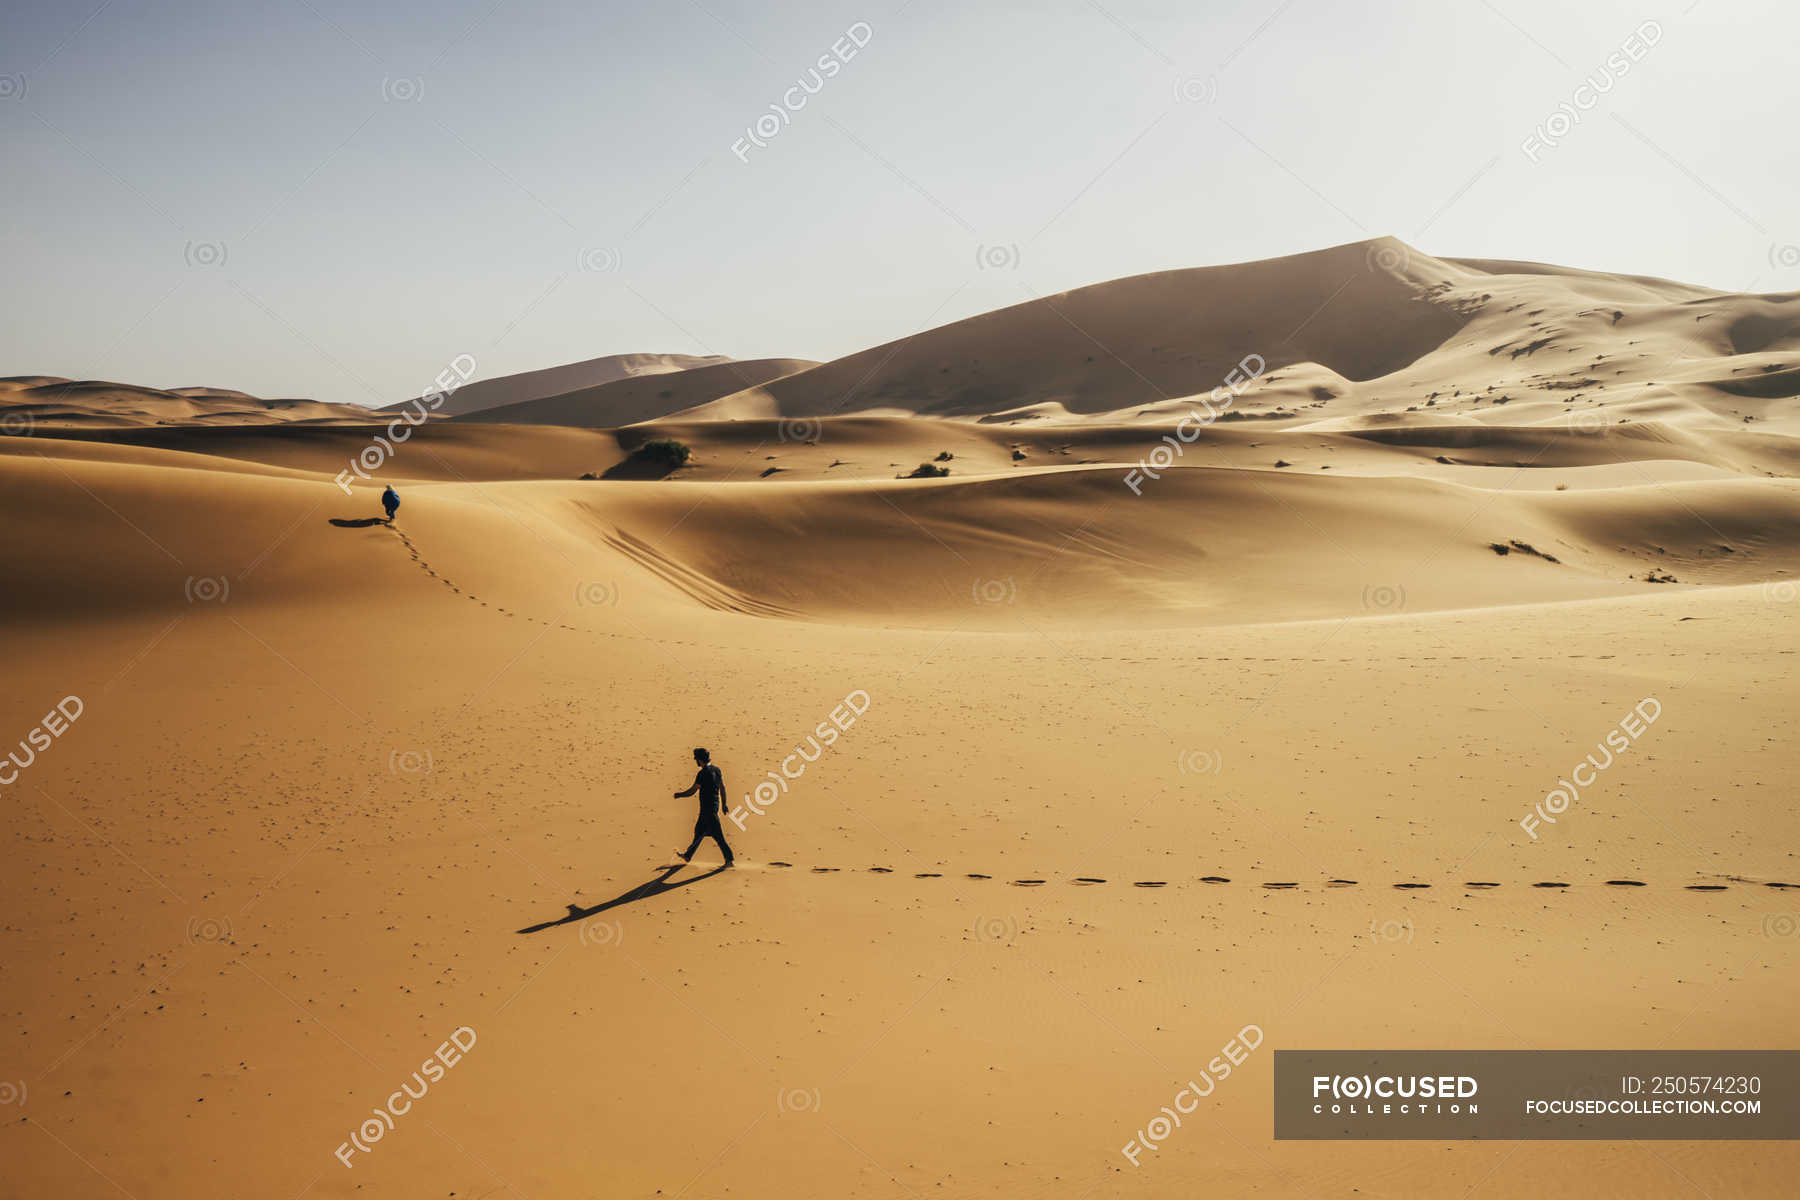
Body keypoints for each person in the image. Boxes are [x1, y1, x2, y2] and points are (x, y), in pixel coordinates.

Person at [673, 747, 734, 866]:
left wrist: (679, 795)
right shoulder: (717, 770)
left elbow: (692, 791)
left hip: (708, 810)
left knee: (718, 836)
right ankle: (687, 856)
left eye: (696, 759)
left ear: (699, 760)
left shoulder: (702, 773)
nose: (695, 761)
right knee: (698, 832)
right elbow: (722, 788)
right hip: (713, 807)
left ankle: (729, 860)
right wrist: (724, 804)